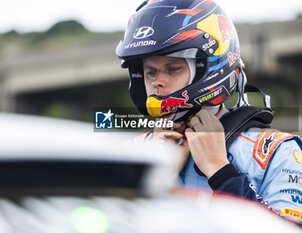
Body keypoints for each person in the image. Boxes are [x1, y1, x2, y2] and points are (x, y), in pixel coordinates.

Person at [115, 0, 302, 223]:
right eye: (150, 72)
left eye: (173, 69)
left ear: (209, 67)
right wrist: (149, 177)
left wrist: (221, 172)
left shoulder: (276, 152)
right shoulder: (130, 154)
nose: (158, 83)